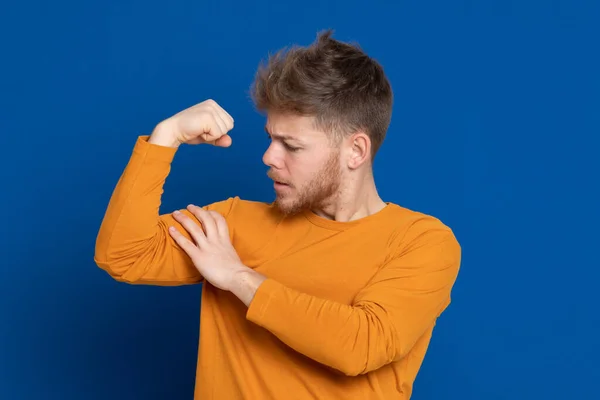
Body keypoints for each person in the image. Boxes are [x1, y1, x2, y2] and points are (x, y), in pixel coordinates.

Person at [94, 30, 461, 400]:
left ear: (356, 151)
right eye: (271, 137)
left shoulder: (421, 242)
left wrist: (238, 277)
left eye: (292, 145)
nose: (269, 157)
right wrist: (166, 137)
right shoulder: (231, 225)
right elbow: (123, 255)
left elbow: (361, 344)